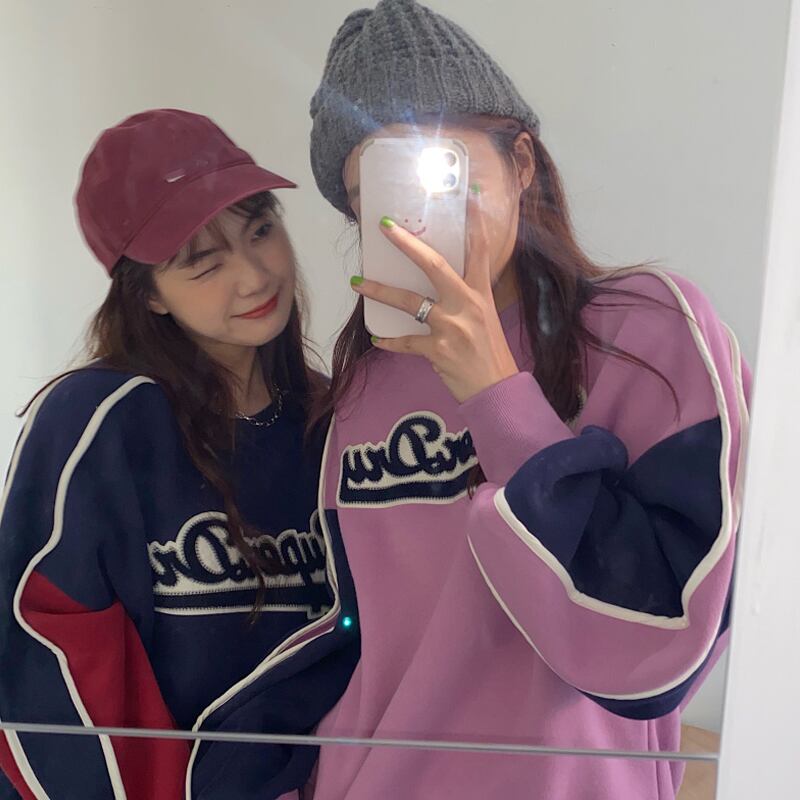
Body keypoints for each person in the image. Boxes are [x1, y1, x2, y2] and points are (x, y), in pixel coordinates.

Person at [306, 1, 749, 798]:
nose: (411, 219)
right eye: (372, 195)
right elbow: (349, 633)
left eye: (438, 173)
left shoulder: (649, 334)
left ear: (521, 163)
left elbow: (663, 644)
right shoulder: (362, 387)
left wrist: (496, 395)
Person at [0, 108, 359, 800]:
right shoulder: (98, 420)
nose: (254, 276)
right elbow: (43, 659)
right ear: (150, 296)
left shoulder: (331, 418)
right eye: (204, 263)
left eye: (261, 229)